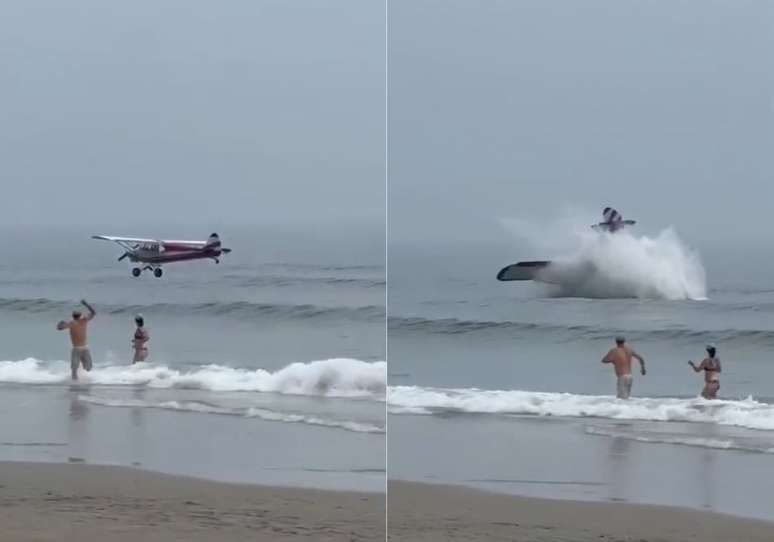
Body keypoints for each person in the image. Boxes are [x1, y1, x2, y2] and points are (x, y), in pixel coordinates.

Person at [56, 300, 96, 380]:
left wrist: (86, 304)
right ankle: (75, 384)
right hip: (76, 349)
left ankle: (81, 371)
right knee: (74, 369)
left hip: (84, 348)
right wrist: (61, 323)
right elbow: (59, 328)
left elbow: (93, 313)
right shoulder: (72, 323)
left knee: (88, 368)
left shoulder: (84, 321)